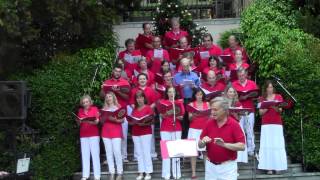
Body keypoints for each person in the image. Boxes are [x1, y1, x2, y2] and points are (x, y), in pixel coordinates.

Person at [199, 97, 245, 180]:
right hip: (210, 166)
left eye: (215, 110)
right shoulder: (209, 122)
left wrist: (224, 145)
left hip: (227, 168)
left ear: (224, 110)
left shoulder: (234, 124)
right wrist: (203, 141)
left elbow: (242, 146)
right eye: (211, 109)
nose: (212, 112)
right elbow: (200, 145)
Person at [100, 64, 131, 163]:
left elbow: (127, 97)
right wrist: (102, 88)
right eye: (115, 71)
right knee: (110, 136)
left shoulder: (125, 82)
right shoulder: (107, 82)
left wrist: (117, 91)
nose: (117, 73)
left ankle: (123, 156)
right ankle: (111, 157)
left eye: (119, 71)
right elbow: (102, 97)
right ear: (113, 71)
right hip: (109, 113)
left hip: (121, 112)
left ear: (121, 72)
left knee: (123, 135)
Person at [258, 80, 287, 174]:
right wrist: (267, 106)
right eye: (268, 87)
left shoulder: (278, 97)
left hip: (277, 124)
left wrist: (276, 108)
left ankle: (278, 166)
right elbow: (260, 113)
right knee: (267, 145)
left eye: (271, 87)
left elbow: (280, 111)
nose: (270, 89)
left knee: (277, 144)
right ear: (265, 88)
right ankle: (268, 168)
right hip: (266, 124)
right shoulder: (262, 98)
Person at [158, 86, 185, 180]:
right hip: (165, 128)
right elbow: (161, 115)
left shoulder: (179, 102)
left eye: (173, 92)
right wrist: (168, 113)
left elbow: (182, 116)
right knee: (166, 152)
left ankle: (176, 174)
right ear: (167, 93)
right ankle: (166, 175)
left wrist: (176, 115)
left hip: (176, 128)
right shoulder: (163, 103)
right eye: (169, 92)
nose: (171, 94)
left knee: (176, 151)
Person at [232, 68, 258, 156]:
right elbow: (231, 96)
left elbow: (256, 94)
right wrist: (240, 98)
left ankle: (251, 149)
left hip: (249, 110)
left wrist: (247, 96)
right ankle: (241, 150)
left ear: (246, 74)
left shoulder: (252, 83)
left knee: (249, 130)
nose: (241, 77)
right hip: (238, 111)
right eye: (239, 76)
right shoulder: (234, 84)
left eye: (243, 75)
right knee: (239, 131)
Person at [130, 90, 154, 180]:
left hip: (146, 132)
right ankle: (141, 172)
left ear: (144, 98)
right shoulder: (134, 109)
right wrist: (132, 122)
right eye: (137, 98)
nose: (139, 99)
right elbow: (132, 120)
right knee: (139, 153)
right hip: (135, 133)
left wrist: (143, 123)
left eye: (141, 97)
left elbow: (152, 120)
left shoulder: (148, 108)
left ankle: (148, 172)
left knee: (146, 152)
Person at [173, 58, 200, 138]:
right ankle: (183, 138)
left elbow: (199, 90)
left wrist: (194, 87)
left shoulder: (194, 75)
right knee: (182, 121)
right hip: (181, 101)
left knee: (191, 119)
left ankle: (191, 138)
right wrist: (179, 87)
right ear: (181, 66)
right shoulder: (176, 76)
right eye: (183, 66)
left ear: (189, 66)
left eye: (187, 66)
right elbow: (173, 90)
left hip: (191, 100)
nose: (185, 68)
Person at [101, 92, 124, 180]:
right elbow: (101, 122)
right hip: (106, 132)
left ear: (113, 97)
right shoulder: (104, 108)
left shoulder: (119, 107)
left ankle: (120, 172)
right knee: (109, 153)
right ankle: (112, 172)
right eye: (107, 97)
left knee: (117, 151)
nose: (108, 98)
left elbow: (122, 120)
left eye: (110, 96)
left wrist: (115, 120)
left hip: (116, 131)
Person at [187, 89, 210, 179]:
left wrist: (206, 114)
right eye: (197, 95)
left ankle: (207, 171)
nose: (199, 96)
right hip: (193, 129)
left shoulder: (207, 104)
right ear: (194, 95)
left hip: (204, 129)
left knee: (205, 151)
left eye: (201, 94)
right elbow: (189, 119)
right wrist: (194, 114)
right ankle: (193, 172)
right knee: (193, 151)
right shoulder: (191, 105)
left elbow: (210, 117)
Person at [77, 95, 101, 180]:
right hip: (83, 135)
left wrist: (90, 121)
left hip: (94, 134)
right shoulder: (80, 111)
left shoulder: (94, 109)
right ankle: (85, 175)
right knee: (85, 155)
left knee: (95, 155)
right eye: (84, 102)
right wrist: (79, 121)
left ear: (90, 102)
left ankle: (97, 175)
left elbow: (97, 121)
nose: (85, 104)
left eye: (87, 102)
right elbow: (78, 124)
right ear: (82, 104)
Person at [223, 85, 248, 163]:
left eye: (233, 92)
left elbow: (239, 119)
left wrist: (235, 115)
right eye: (230, 91)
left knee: (236, 144)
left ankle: (236, 162)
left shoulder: (238, 103)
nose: (231, 93)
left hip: (235, 126)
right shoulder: (223, 103)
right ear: (226, 93)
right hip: (225, 126)